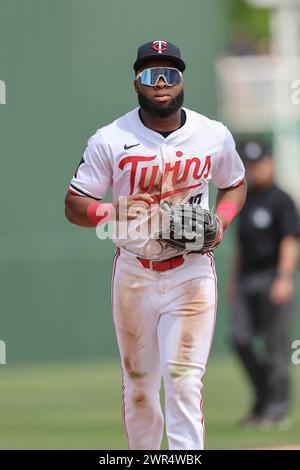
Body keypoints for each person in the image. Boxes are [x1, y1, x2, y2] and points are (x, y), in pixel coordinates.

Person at [64, 39, 247, 450]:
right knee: (140, 388)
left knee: (183, 380)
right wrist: (110, 213)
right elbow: (75, 204)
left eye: (171, 73)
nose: (161, 82)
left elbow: (234, 184)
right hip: (134, 273)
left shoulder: (213, 135)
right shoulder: (110, 139)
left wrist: (221, 219)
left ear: (182, 81)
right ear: (136, 83)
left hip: (191, 272)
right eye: (150, 74)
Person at [229, 139, 299, 427]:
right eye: (249, 164)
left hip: (272, 276)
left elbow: (290, 240)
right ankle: (264, 396)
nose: (255, 169)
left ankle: (277, 408)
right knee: (240, 338)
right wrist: (233, 283)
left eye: (259, 163)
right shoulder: (245, 200)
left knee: (275, 346)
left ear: (270, 162)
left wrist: (284, 277)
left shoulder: (281, 199)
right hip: (247, 279)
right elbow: (240, 246)